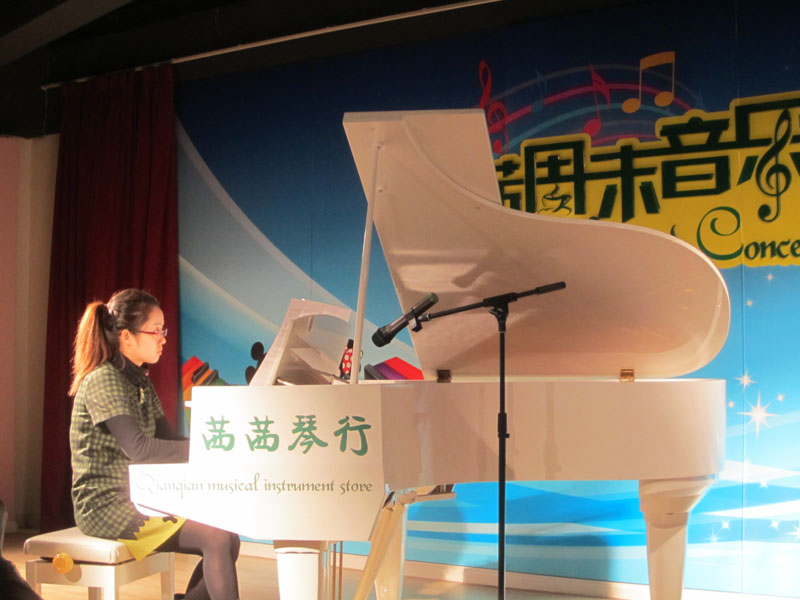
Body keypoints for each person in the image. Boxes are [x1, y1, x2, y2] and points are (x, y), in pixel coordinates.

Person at [69, 288, 240, 600]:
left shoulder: (140, 381)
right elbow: (141, 449)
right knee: (215, 537)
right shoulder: (103, 378)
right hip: (106, 505)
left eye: (164, 330)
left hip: (140, 495)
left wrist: (220, 446)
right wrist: (209, 452)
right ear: (126, 337)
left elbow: (168, 439)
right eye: (155, 330)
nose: (163, 338)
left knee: (228, 535)